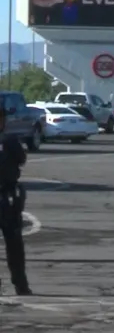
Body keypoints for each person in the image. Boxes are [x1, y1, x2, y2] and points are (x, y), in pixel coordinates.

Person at [0, 106, 31, 296]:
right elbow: (20, 159)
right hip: (5, 198)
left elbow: (21, 159)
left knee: (15, 245)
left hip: (7, 197)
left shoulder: (9, 141)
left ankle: (21, 284)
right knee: (14, 244)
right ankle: (19, 284)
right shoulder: (8, 141)